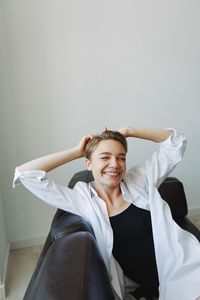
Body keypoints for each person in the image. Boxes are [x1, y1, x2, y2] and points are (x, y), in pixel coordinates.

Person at [13, 127, 200, 300]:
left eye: (121, 157)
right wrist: (76, 152)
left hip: (182, 267)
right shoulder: (82, 200)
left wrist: (129, 131)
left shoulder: (140, 180)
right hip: (151, 287)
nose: (115, 164)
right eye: (105, 157)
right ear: (89, 164)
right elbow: (25, 174)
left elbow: (175, 143)